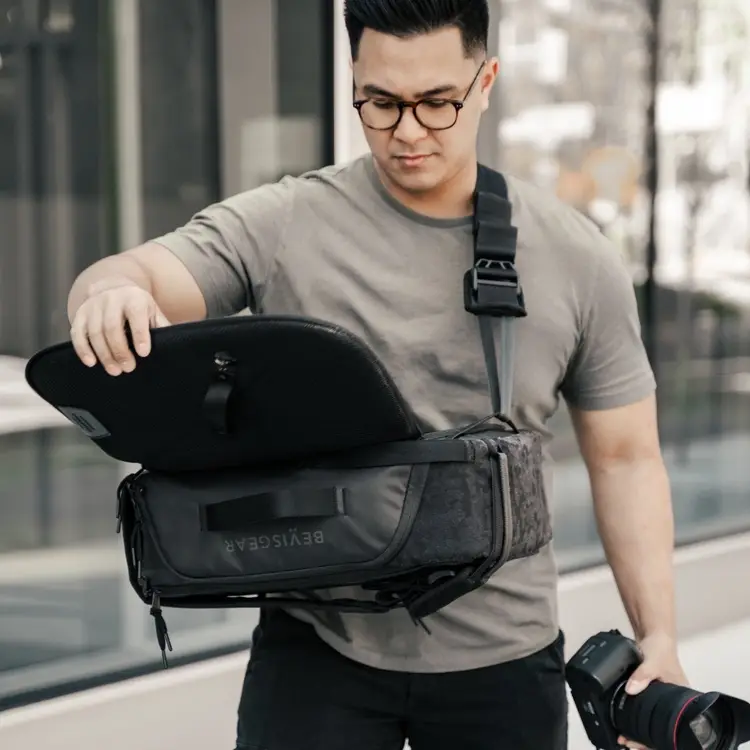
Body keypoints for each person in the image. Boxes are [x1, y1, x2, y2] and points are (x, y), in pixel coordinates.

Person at [66, 1, 688, 748]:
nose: (409, 132)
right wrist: (110, 294)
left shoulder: (577, 258)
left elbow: (626, 459)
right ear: (354, 81)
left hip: (505, 661)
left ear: (486, 81)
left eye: (437, 102)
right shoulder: (288, 221)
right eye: (381, 102)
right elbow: (131, 273)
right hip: (319, 647)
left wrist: (659, 637)